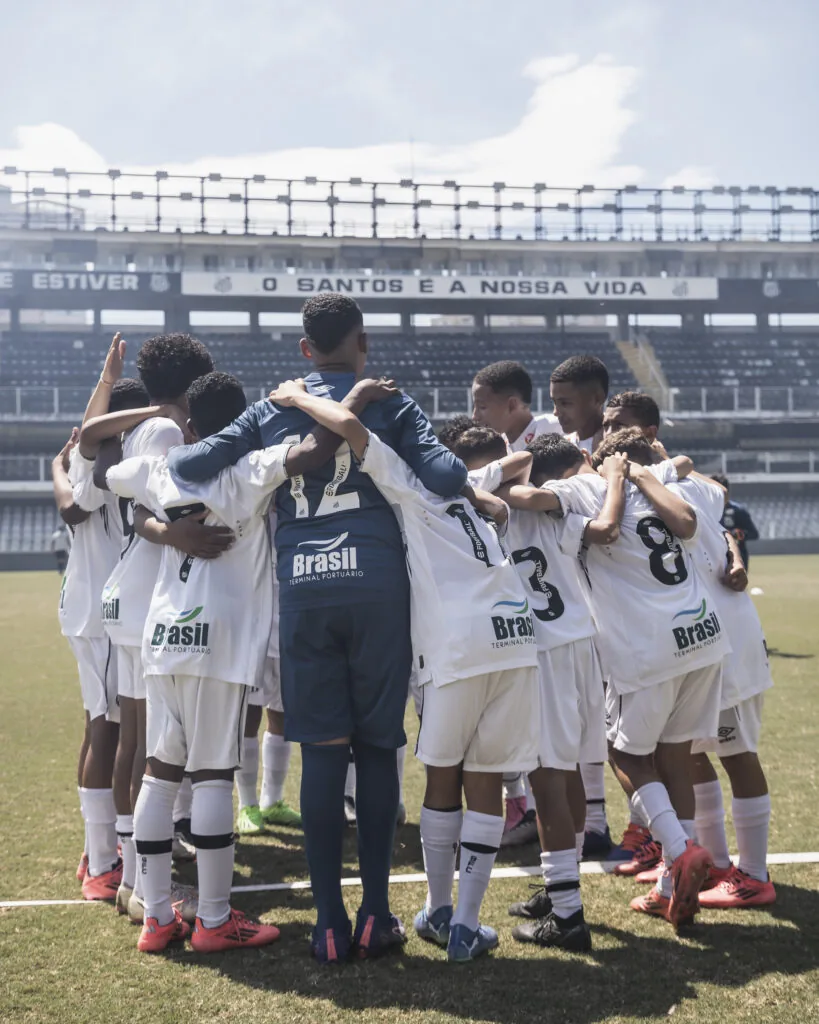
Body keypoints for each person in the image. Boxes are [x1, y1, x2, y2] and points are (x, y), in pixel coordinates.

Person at [168, 293, 467, 962]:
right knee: (379, 746)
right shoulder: (391, 403)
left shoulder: (271, 407)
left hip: (304, 589)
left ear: (305, 348)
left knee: (324, 754)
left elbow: (186, 466)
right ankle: (376, 915)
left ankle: (328, 924)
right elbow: (447, 475)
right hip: (378, 588)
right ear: (363, 342)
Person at [267, 378, 541, 963]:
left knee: (442, 778)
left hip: (456, 647)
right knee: (486, 781)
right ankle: (465, 926)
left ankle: (437, 911)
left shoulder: (408, 484)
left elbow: (350, 429)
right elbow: (504, 476)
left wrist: (301, 398)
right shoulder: (470, 488)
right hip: (516, 638)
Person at [605, 396, 775, 907]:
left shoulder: (680, 485)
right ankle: (712, 863)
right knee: (689, 755)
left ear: (648, 434)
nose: (608, 434)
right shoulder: (659, 483)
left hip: (728, 638)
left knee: (737, 753)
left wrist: (734, 556)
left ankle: (755, 874)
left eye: (618, 426)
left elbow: (718, 516)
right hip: (693, 642)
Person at [86, 332, 215, 917]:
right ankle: (141, 883)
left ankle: (129, 876)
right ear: (192, 384)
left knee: (136, 738)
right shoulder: (164, 429)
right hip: (145, 594)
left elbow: (99, 466)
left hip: (129, 592)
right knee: (149, 745)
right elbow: (170, 509)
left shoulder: (141, 428)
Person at [485, 432, 625, 950]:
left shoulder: (492, 509)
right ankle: (559, 888)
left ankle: (567, 917)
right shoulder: (556, 508)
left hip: (543, 651)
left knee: (546, 781)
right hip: (581, 642)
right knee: (568, 776)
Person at [51, 377, 147, 900]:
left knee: (98, 726)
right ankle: (105, 864)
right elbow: (75, 508)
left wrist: (58, 466)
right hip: (101, 612)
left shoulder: (88, 459)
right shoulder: (108, 458)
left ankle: (96, 851)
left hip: (85, 606)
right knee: (108, 731)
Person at [548, 355, 612, 855]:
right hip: (584, 600)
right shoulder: (568, 450)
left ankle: (624, 826)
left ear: (597, 399)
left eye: (566, 402)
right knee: (591, 723)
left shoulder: (614, 453)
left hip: (622, 603)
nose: (558, 412)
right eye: (554, 402)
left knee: (622, 732)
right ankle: (595, 823)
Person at [471, 360, 561, 451]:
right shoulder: (494, 448)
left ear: (512, 405)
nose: (475, 416)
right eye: (474, 407)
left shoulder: (556, 429)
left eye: (482, 407)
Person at [711, 474, 759, 568]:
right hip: (713, 557)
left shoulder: (738, 511)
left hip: (736, 558)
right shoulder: (706, 510)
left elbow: (754, 534)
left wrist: (738, 534)